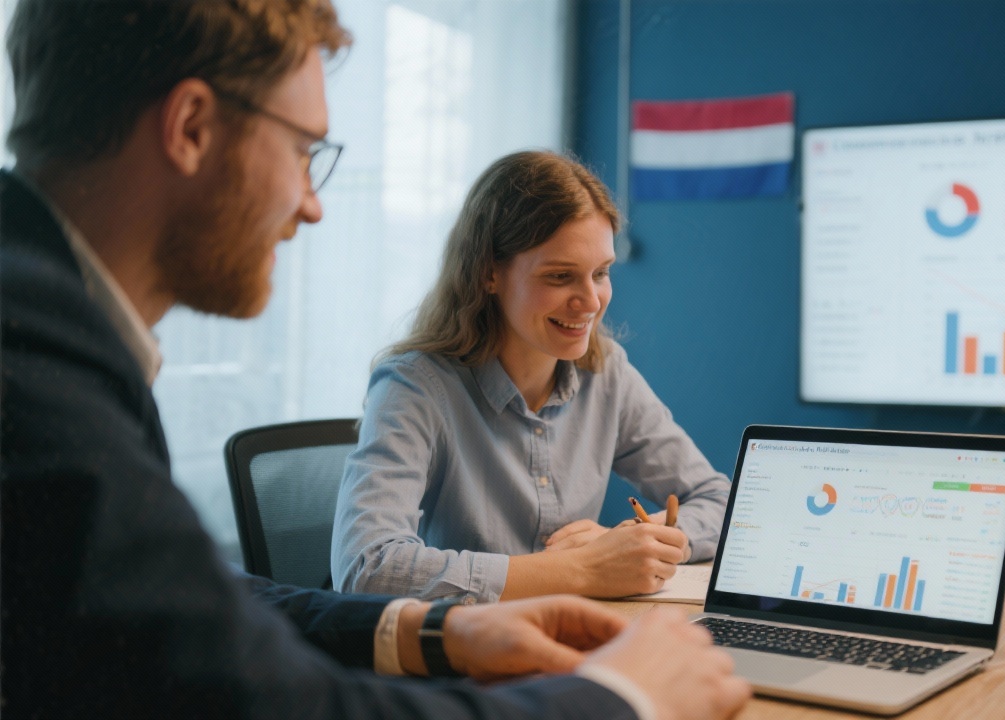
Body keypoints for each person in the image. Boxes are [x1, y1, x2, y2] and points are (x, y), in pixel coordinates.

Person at [0, 1, 751, 718]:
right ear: (191, 127)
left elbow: (200, 606)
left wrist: (433, 630)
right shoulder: (33, 362)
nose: (313, 203)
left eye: (601, 273)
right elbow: (273, 697)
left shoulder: (55, 335)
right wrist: (623, 699)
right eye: (303, 149)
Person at [331, 151, 730, 603]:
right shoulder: (416, 386)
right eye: (560, 276)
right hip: (469, 643)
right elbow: (367, 567)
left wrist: (633, 542)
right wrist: (581, 571)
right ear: (489, 273)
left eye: (600, 273)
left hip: (574, 633)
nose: (591, 301)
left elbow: (721, 502)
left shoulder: (607, 374)